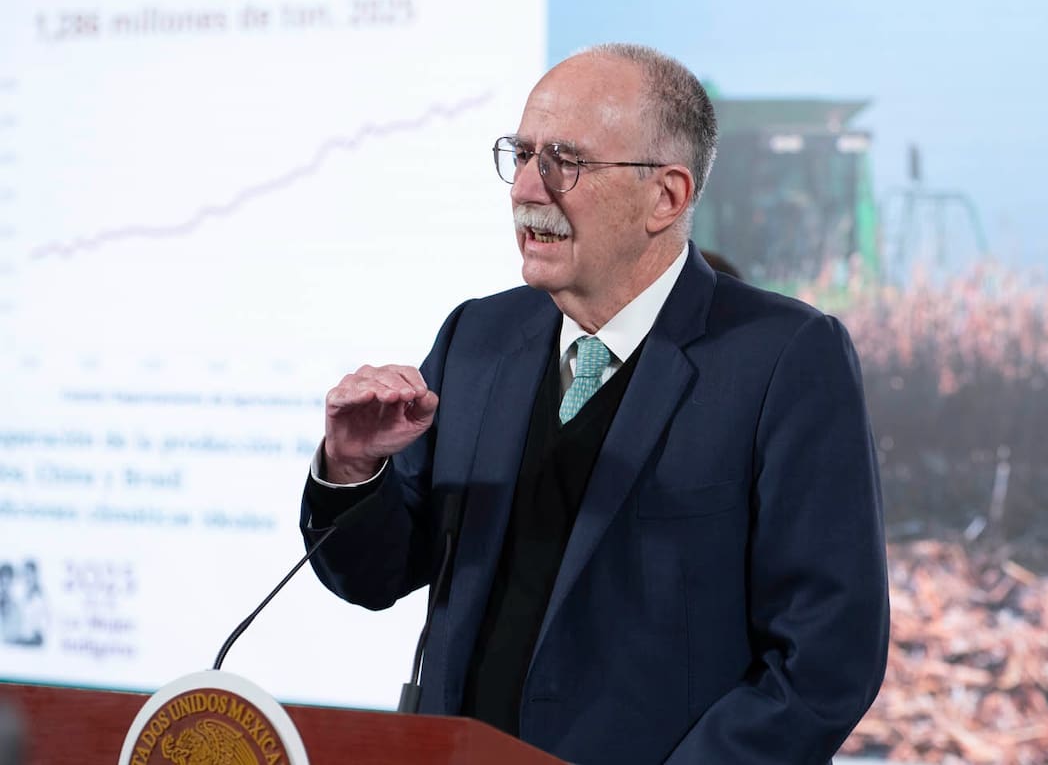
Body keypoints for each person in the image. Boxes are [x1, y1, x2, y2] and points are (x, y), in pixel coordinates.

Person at [302, 43, 888, 765]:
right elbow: (375, 574)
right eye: (521, 155)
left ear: (665, 197)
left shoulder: (783, 357)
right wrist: (353, 470)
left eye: (565, 161)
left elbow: (825, 658)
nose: (525, 188)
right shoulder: (477, 338)